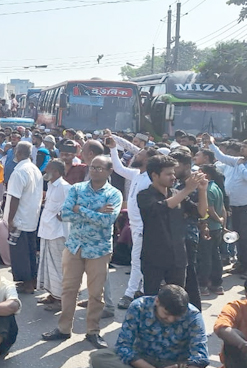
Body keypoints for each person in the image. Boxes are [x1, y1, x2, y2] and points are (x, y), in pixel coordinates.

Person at [42, 155, 122, 349]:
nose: (94, 171)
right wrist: (94, 211)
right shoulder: (77, 188)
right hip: (75, 246)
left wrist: (81, 209)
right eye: (92, 167)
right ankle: (63, 328)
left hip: (99, 249)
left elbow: (107, 221)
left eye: (99, 168)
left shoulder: (114, 194)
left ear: (109, 171)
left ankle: (93, 331)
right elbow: (65, 214)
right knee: (68, 290)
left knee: (96, 293)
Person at [89, 284, 209, 368]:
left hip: (174, 363)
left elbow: (200, 356)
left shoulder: (193, 316)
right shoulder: (139, 307)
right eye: (167, 314)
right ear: (157, 302)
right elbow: (123, 346)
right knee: (99, 357)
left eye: (176, 317)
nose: (171, 320)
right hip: (142, 360)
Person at [138, 155, 207, 298]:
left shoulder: (177, 194)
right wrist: (187, 190)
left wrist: (202, 190)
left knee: (177, 300)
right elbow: (162, 207)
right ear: (155, 175)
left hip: (178, 256)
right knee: (151, 299)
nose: (173, 177)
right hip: (154, 257)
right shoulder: (144, 195)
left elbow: (200, 212)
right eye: (168, 174)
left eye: (174, 173)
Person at [105, 136, 158, 310]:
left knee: (137, 260)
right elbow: (118, 168)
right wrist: (113, 148)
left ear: (148, 160)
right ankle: (141, 290)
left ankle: (130, 293)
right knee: (139, 260)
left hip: (145, 227)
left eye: (140, 154)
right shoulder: (136, 173)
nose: (136, 156)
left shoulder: (152, 179)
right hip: (135, 225)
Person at [204, 134, 247, 276]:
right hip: (236, 206)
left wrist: (241, 165)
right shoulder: (239, 160)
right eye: (242, 146)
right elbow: (221, 157)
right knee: (237, 237)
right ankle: (241, 264)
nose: (242, 149)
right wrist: (211, 144)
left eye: (245, 147)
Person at [170, 151, 209, 311]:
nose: (173, 170)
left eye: (176, 165)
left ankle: (194, 313)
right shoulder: (175, 184)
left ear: (187, 166)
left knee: (189, 278)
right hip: (173, 236)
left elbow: (201, 211)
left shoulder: (192, 185)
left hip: (187, 236)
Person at [5, 141, 43, 294]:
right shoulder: (35, 169)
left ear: (18, 153)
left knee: (20, 253)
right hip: (31, 217)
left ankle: (27, 284)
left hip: (20, 219)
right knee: (30, 251)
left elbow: (14, 197)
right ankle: (30, 281)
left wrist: (10, 219)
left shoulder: (19, 171)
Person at [36, 160, 71, 311]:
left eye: (48, 169)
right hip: (47, 231)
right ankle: (52, 294)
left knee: (58, 267)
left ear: (56, 171)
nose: (45, 170)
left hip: (57, 233)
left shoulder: (65, 187)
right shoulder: (50, 185)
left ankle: (61, 300)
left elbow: (71, 206)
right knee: (48, 266)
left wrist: (63, 214)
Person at [198, 164, 227, 297]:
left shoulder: (208, 190)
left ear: (206, 175)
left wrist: (219, 220)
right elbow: (223, 209)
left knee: (205, 258)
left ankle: (203, 285)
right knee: (215, 256)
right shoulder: (216, 187)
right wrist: (223, 224)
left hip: (209, 228)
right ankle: (217, 284)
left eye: (199, 172)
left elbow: (210, 209)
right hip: (217, 229)